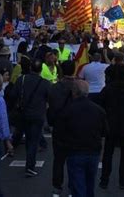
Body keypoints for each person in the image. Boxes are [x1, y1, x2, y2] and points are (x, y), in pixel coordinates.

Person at [55, 80, 107, 197]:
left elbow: (60, 132)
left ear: (74, 92)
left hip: (75, 151)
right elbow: (104, 131)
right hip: (93, 151)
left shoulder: (68, 110)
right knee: (90, 184)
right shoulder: (98, 110)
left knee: (78, 186)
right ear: (87, 93)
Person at [8, 59, 51, 177]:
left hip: (23, 114)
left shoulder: (21, 80)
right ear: (41, 70)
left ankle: (14, 149)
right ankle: (30, 166)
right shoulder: (45, 83)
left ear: (30, 68)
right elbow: (50, 98)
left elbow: (12, 95)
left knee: (27, 138)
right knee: (33, 141)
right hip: (37, 115)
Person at [98, 63, 124, 190]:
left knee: (108, 153)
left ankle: (104, 180)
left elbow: (100, 105)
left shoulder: (108, 88)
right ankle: (123, 181)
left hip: (111, 125)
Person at [48, 60, 78, 197]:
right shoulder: (79, 86)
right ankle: (72, 189)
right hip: (75, 128)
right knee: (74, 161)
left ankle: (56, 188)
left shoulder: (54, 88)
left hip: (59, 127)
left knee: (58, 160)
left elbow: (51, 107)